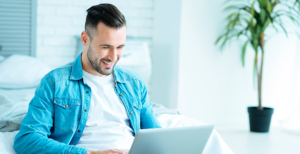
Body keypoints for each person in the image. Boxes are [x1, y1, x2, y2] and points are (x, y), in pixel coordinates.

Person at [14, 3, 161, 154]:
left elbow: (157, 137)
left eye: (120, 47)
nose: (113, 57)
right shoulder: (55, 82)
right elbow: (27, 139)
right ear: (85, 39)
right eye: (105, 47)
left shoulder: (134, 83)